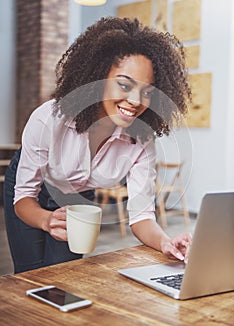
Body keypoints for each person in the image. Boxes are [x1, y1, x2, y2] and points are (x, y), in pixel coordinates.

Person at [4, 16, 192, 273]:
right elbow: (24, 197)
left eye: (147, 91)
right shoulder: (49, 119)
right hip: (32, 190)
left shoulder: (141, 139)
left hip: (77, 194)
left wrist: (166, 242)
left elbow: (141, 217)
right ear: (97, 77)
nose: (136, 100)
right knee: (28, 274)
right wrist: (47, 220)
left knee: (64, 276)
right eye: (124, 85)